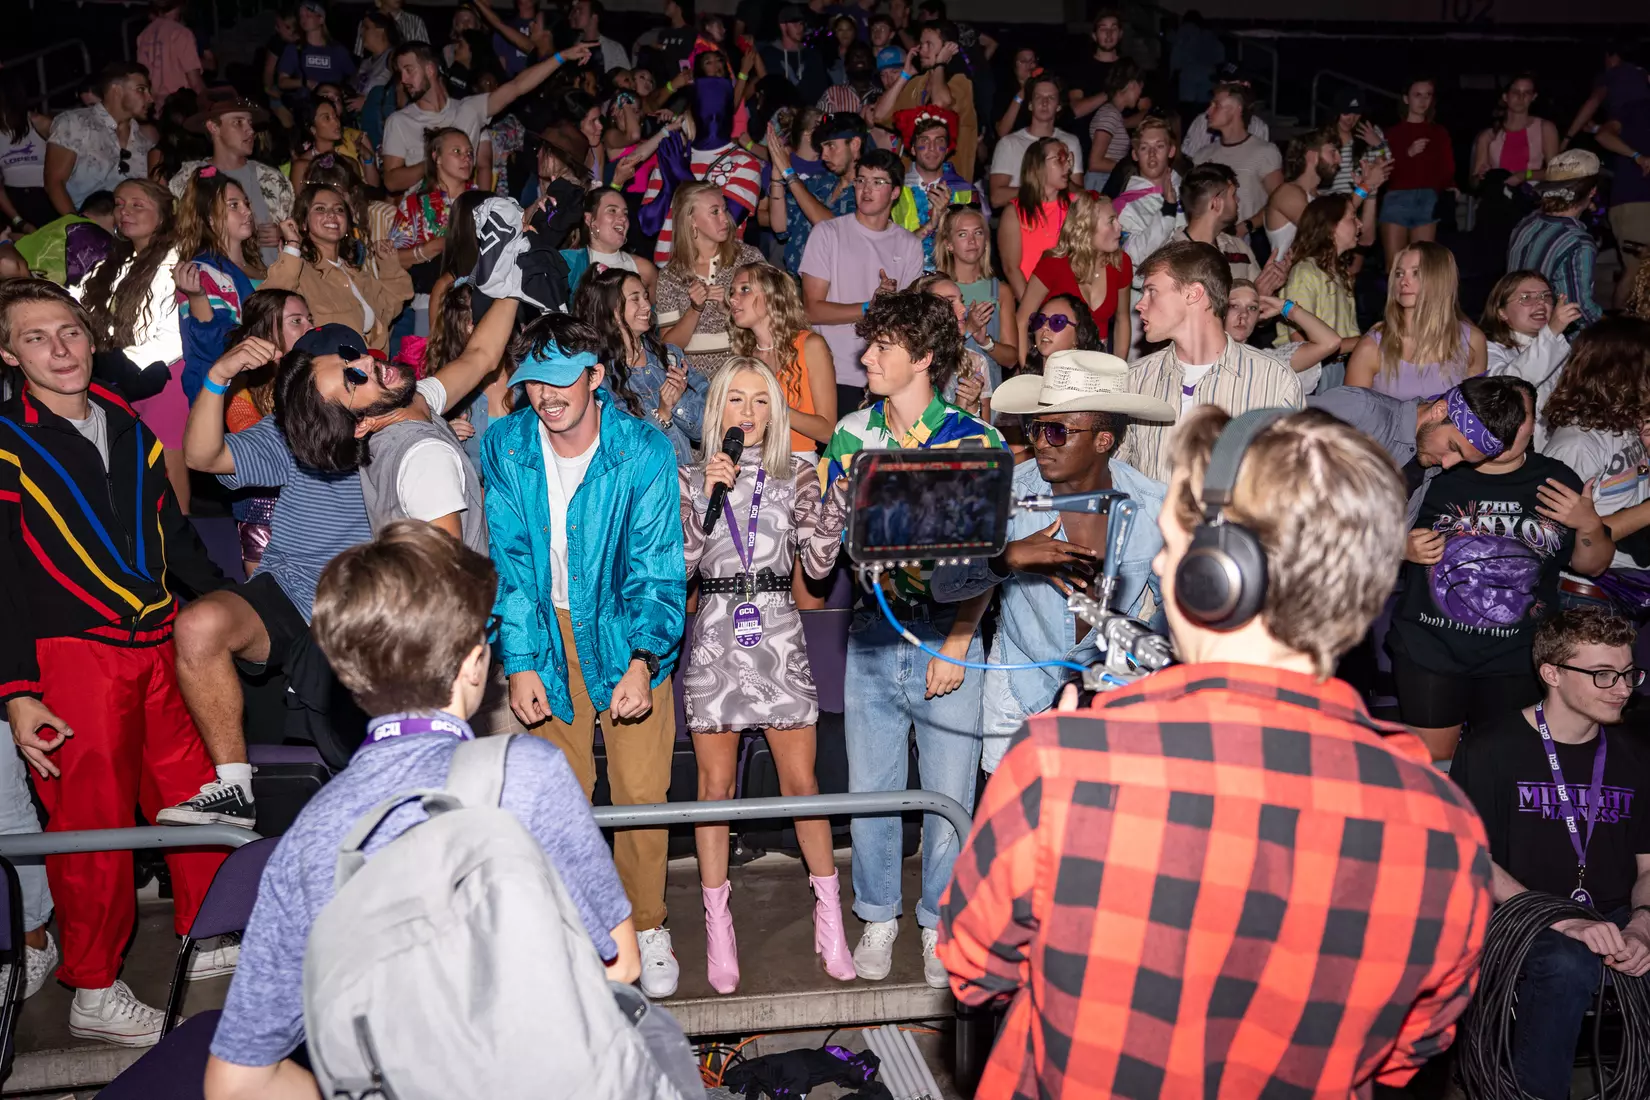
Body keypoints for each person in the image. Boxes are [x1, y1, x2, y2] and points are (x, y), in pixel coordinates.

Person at [939, 403, 1494, 1098]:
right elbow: (1412, 1048)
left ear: (1215, 575)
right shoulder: (1444, 825)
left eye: (1174, 545)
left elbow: (972, 968)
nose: (1166, 563)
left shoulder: (1066, 768)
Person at [202, 519, 641, 1098]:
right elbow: (621, 965)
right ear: (474, 663)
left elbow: (235, 1082)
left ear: (348, 674)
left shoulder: (312, 832)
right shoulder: (526, 776)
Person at [0, 279, 232, 1047]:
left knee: (196, 792)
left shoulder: (129, 427)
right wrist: (18, 692)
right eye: (36, 337)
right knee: (90, 822)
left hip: (155, 641)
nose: (60, 348)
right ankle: (93, 987)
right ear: (9, 354)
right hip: (68, 657)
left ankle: (208, 932)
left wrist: (233, 602)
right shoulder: (4, 438)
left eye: (68, 331)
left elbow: (174, 533)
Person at [482, 314, 686, 999]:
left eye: (562, 375)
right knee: (558, 795)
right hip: (545, 631)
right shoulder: (506, 445)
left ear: (596, 376)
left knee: (639, 789)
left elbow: (659, 569)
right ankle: (575, 931)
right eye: (533, 379)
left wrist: (642, 657)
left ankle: (648, 924)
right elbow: (507, 562)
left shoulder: (644, 450)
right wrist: (519, 659)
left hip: (627, 630)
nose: (546, 393)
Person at [817, 289, 1003, 988]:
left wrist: (956, 643)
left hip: (945, 638)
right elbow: (837, 542)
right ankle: (878, 916)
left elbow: (992, 559)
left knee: (950, 796)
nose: (865, 357)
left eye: (882, 348)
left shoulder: (976, 441)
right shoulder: (850, 437)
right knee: (872, 791)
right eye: (868, 346)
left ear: (923, 357)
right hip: (871, 635)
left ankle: (937, 922)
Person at [678, 358, 855, 992]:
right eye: (735, 400)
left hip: (778, 630)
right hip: (719, 635)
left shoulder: (799, 474)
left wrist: (837, 504)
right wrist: (705, 493)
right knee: (714, 788)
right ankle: (717, 925)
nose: (747, 414)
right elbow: (685, 566)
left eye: (760, 401)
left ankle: (830, 918)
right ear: (716, 410)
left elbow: (816, 563)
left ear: (774, 413)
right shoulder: (692, 476)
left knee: (802, 784)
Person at [930, 349, 1173, 770]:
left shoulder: (1153, 505)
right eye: (1036, 428)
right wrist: (1004, 559)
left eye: (1058, 432)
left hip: (1113, 692)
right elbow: (944, 585)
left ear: (1103, 440)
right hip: (1022, 689)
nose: (1041, 442)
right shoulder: (1005, 494)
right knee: (1012, 823)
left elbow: (1175, 607)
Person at [1449, 607, 1650, 1100]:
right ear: (1552, 674)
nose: (1622, 687)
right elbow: (1470, 858)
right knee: (1568, 963)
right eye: (1603, 674)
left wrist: (1642, 925)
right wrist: (1564, 922)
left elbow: (1648, 866)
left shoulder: (1635, 756)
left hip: (1615, 912)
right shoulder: (1490, 749)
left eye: (1628, 673)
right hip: (1520, 917)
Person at [1391, 379, 1613, 761]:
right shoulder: (1438, 469)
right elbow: (1361, 536)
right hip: (1431, 649)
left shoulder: (1555, 480)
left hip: (1517, 655)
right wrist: (1399, 546)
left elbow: (1592, 565)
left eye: (1518, 417)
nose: (1506, 428)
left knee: (1502, 767)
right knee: (1430, 770)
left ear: (1533, 424)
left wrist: (1588, 524)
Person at [1118, 240, 1304, 483]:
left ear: (1193, 294)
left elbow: (1292, 481)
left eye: (1152, 291)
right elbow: (1116, 477)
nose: (1140, 305)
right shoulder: (1134, 379)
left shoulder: (1273, 380)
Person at [74, 179, 192, 510]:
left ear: (165, 214)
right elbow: (75, 301)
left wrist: (117, 361)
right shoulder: (112, 262)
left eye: (137, 205)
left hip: (163, 373)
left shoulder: (179, 259)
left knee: (166, 465)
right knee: (131, 466)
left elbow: (176, 333)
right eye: (119, 204)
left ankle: (180, 546)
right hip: (120, 374)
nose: (124, 212)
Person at [800, 148, 925, 415]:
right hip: (832, 374)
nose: (866, 189)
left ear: (894, 192)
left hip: (886, 376)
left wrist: (890, 305)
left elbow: (910, 318)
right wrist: (869, 306)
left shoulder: (910, 244)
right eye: (861, 180)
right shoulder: (828, 233)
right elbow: (811, 309)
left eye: (877, 182)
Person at [379, 40, 592, 193]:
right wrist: (437, 162)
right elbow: (391, 181)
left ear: (430, 69)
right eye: (401, 73)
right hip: (422, 219)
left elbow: (517, 86)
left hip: (463, 213)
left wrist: (561, 57)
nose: (404, 79)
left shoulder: (469, 109)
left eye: (409, 70)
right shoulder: (399, 121)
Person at [1541, 318, 1650, 610]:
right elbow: (1554, 537)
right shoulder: (1577, 444)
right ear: (1623, 373)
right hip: (1585, 596)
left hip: (1626, 583)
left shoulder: (1627, 425)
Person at [220, 289, 313, 577]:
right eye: (296, 321)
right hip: (265, 515)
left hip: (315, 513)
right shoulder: (240, 389)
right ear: (266, 332)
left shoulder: (318, 377)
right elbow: (260, 452)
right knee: (270, 606)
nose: (310, 328)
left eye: (309, 319)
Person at [577, 267, 709, 464]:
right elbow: (620, 450)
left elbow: (705, 430)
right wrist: (662, 413)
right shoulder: (600, 377)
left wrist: (679, 403)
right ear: (611, 310)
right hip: (642, 491)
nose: (647, 305)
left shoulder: (670, 357)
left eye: (646, 297)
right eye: (635, 299)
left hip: (686, 485)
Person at [266, 184, 413, 351]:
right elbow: (269, 302)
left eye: (339, 210)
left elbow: (391, 306)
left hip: (371, 369)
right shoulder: (300, 274)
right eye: (320, 209)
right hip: (327, 372)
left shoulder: (357, 274)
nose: (331, 215)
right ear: (304, 223)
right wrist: (292, 245)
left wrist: (388, 263)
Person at [1346, 242, 1488, 401]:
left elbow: (1474, 413)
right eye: (1399, 274)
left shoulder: (1472, 341)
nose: (1403, 282)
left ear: (1440, 279)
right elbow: (1351, 416)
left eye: (1416, 273)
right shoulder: (1372, 347)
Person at [654, 181, 767, 379]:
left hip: (745, 376)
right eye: (714, 212)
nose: (725, 218)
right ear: (691, 220)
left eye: (724, 209)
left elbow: (772, 316)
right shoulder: (671, 276)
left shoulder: (749, 259)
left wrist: (729, 310)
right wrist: (695, 309)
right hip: (694, 388)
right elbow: (669, 347)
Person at [167, 92, 293, 267]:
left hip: (269, 283)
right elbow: (176, 231)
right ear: (213, 127)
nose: (250, 130)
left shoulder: (271, 178)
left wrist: (282, 232)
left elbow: (298, 227)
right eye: (238, 122)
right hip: (210, 281)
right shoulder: (188, 177)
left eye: (250, 123)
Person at [726, 261, 838, 451]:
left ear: (772, 296)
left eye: (745, 289)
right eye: (732, 292)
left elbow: (828, 431)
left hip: (797, 465)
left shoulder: (810, 346)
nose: (733, 299)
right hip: (750, 463)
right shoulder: (744, 355)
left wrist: (775, 408)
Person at [174, 167, 264, 404]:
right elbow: (212, 347)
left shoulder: (260, 266)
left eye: (246, 203)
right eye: (234, 205)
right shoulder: (202, 272)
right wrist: (198, 298)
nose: (247, 211)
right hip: (227, 397)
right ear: (210, 218)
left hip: (263, 387)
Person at [1017, 191, 1131, 358]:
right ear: (1087, 228)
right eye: (1111, 221)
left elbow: (1123, 320)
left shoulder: (1121, 263)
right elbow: (1021, 321)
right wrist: (1027, 373)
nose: (1119, 227)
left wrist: (1119, 370)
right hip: (1055, 363)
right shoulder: (1054, 264)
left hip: (1097, 364)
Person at [389, 127, 476, 337]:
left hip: (477, 297)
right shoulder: (415, 204)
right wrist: (427, 250)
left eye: (469, 153)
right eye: (456, 151)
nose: (466, 158)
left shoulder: (484, 201)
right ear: (436, 157)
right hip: (428, 302)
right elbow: (391, 258)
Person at [1481, 268, 1580, 446]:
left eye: (1546, 296)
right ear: (1501, 312)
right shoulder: (1487, 349)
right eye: (1526, 298)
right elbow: (1508, 387)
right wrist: (1552, 331)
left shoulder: (1559, 344)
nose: (1540, 303)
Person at [44, 63, 156, 217]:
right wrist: (80, 229)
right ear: (116, 90)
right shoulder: (74, 123)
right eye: (141, 90)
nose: (150, 98)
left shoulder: (145, 138)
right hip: (79, 227)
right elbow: (54, 183)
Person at [1508, 149, 1604, 329]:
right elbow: (1579, 310)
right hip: (1553, 342)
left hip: (1514, 330)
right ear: (1592, 191)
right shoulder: (1577, 241)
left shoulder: (1526, 223)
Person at [873, 19, 978, 182]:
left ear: (948, 48)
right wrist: (904, 75)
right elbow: (879, 115)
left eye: (929, 44)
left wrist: (940, 63)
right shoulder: (917, 83)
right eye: (921, 45)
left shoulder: (961, 83)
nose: (922, 51)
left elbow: (939, 105)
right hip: (912, 184)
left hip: (949, 187)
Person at [1264, 124, 1384, 262]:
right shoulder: (1286, 193)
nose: (1339, 160)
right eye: (1333, 152)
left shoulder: (1322, 199)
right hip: (1291, 281)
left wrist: (1372, 191)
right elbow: (1321, 228)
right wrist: (1365, 186)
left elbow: (1366, 239)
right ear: (1312, 156)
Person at [767, 111, 864, 278]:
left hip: (834, 290)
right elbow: (780, 226)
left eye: (831, 146)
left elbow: (834, 229)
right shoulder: (819, 181)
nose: (824, 155)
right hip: (796, 283)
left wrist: (790, 175)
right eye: (822, 147)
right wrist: (777, 174)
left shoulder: (868, 190)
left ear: (855, 144)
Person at [1191, 81, 1283, 245]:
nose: (1208, 111)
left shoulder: (1265, 152)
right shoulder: (1202, 156)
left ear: (1236, 109)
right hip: (1211, 243)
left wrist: (1247, 226)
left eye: (1216, 105)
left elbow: (1279, 200)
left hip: (1251, 243)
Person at [1274, 194, 1365, 358]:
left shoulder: (1341, 274)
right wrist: (1369, 340)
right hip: (1313, 370)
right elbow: (1300, 342)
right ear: (1331, 226)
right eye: (1352, 217)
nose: (1360, 223)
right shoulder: (1305, 273)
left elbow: (1350, 332)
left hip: (1337, 364)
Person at [932, 205, 1017, 372]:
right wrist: (968, 329)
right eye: (962, 234)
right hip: (946, 392)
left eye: (978, 233)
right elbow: (928, 352)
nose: (972, 241)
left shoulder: (1000, 291)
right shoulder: (935, 289)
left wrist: (985, 341)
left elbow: (1011, 359)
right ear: (948, 244)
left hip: (989, 391)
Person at [1380, 77, 1454, 268]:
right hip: (1397, 199)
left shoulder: (1439, 132)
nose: (1423, 101)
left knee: (1422, 268)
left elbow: (1447, 168)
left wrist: (1443, 188)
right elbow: (1386, 173)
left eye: (1428, 95)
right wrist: (1408, 153)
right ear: (1406, 99)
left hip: (1427, 200)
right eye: (1417, 95)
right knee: (1394, 267)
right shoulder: (1392, 134)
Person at [888, 107, 973, 269]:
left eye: (939, 141)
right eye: (924, 141)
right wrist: (931, 223)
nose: (932, 148)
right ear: (912, 148)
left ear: (947, 149)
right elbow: (888, 250)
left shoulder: (966, 192)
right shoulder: (893, 192)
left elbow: (975, 249)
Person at [1225, 279, 1343, 396]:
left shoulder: (1267, 362)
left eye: (1252, 308)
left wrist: (1286, 307)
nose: (1244, 314)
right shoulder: (1208, 360)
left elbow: (1330, 342)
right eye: (1234, 306)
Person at [997, 137, 1078, 300]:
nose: (1068, 166)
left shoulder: (1077, 206)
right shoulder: (1014, 213)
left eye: (1068, 159)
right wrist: (1034, 313)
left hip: (1073, 304)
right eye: (1060, 159)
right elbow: (1011, 269)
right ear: (1038, 166)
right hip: (1033, 306)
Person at [987, 74, 1081, 211]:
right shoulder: (1009, 143)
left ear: (1059, 106)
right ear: (1030, 105)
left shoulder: (1070, 142)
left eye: (1051, 98)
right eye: (1039, 97)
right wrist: (1040, 189)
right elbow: (996, 198)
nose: (1044, 102)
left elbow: (1079, 194)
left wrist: (1062, 176)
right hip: (1020, 219)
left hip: (1059, 218)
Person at [1170, 163, 1267, 287]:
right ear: (1217, 204)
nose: (1237, 200)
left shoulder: (1238, 247)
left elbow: (1254, 297)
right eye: (1233, 195)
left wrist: (1262, 289)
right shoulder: (1174, 257)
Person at [1470, 73, 1560, 184]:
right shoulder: (1489, 135)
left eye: (1527, 93)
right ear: (1505, 97)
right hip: (1497, 194)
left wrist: (1525, 175)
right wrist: (1482, 176)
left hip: (1530, 194)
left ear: (1533, 97)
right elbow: (1474, 183)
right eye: (1515, 92)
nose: (1521, 97)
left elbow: (1555, 172)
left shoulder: (1545, 128)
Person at [291, 96, 379, 192]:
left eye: (335, 116)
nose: (336, 122)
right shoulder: (302, 167)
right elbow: (300, 204)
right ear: (312, 128)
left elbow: (364, 196)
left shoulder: (349, 163)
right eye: (327, 118)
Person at [582, 186, 657, 293]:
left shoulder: (644, 269)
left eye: (625, 213)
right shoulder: (571, 264)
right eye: (612, 210)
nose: (623, 218)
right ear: (589, 219)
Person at [277, 0, 356, 101]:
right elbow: (282, 82)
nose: (303, 18)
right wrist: (303, 82)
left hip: (333, 106)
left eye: (308, 14)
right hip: (306, 107)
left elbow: (354, 79)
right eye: (301, 15)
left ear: (321, 18)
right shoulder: (294, 49)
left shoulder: (338, 51)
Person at [1084, 61, 1144, 193]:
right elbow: (1095, 163)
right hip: (1100, 184)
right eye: (1141, 87)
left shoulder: (1113, 114)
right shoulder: (1110, 114)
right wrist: (1130, 168)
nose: (1140, 94)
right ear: (1132, 85)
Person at [136, 0, 207, 104]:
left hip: (154, 107)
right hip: (179, 106)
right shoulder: (182, 33)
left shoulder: (143, 35)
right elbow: (195, 83)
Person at [761, 4, 831, 108]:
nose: (800, 28)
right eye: (795, 24)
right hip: (778, 117)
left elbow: (822, 90)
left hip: (808, 115)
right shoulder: (769, 55)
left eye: (802, 23)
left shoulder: (812, 55)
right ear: (783, 26)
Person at [1326, 87, 1389, 196]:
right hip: (1328, 205)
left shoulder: (1371, 132)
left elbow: (1385, 169)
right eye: (1346, 113)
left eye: (1356, 113)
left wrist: (1379, 145)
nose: (1351, 119)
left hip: (1363, 200)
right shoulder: (1322, 136)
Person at [1168, 9, 1223, 120]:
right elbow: (1220, 56)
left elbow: (1177, 54)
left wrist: (1173, 74)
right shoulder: (1209, 35)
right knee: (1205, 110)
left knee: (1187, 112)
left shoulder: (1184, 32)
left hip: (1188, 75)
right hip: (1208, 75)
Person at [568, 0, 633, 72]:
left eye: (579, 10)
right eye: (573, 11)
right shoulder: (571, 47)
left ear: (594, 17)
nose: (573, 15)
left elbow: (627, 77)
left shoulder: (614, 49)